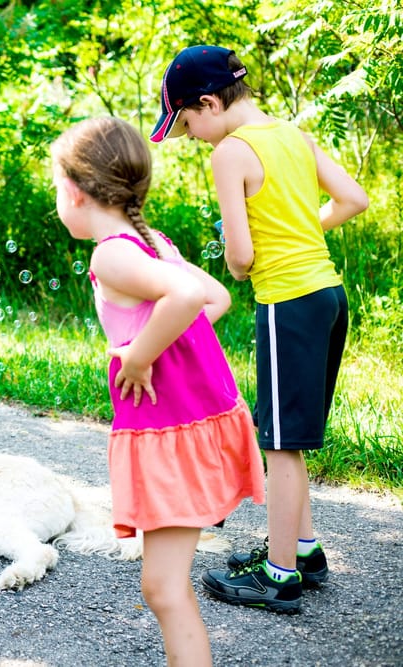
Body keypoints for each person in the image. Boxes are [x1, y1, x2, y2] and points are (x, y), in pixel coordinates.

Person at [150, 45, 368, 612]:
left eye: (189, 123)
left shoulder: (230, 152)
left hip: (287, 302)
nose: (194, 135)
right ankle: (304, 549)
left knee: (280, 443)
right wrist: (299, 233)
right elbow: (353, 199)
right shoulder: (292, 134)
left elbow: (242, 259)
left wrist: (236, 253)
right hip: (328, 296)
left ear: (208, 103)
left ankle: (279, 576)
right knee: (290, 438)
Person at [51, 116, 265, 666]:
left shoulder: (112, 254)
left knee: (165, 589)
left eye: (57, 187)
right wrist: (170, 344)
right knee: (162, 586)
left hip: (172, 434)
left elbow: (192, 299)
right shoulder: (153, 242)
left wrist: (142, 353)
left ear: (75, 191)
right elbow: (214, 296)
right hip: (190, 423)